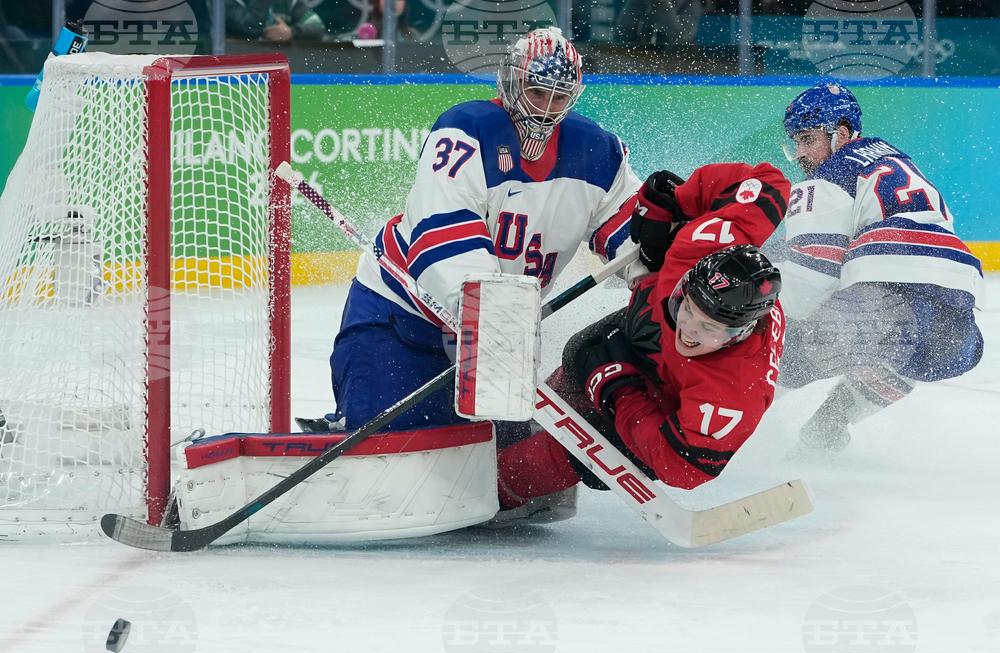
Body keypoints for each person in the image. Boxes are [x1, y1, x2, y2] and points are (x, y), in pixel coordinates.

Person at [320, 27, 645, 437]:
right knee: (387, 445)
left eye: (559, 97)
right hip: (403, 317)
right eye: (537, 92)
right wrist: (492, 315)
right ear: (511, 83)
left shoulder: (597, 152)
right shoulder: (466, 130)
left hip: (498, 338)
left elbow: (635, 241)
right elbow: (442, 234)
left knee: (507, 465)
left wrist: (677, 278)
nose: (546, 110)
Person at [493, 162, 791, 519]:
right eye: (687, 307)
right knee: (581, 353)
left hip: (664, 395)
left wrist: (620, 391)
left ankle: (498, 488)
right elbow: (769, 181)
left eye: (712, 329)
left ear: (741, 334)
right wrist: (676, 203)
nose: (690, 331)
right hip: (646, 322)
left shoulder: (733, 391)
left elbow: (682, 468)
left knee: (589, 444)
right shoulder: (707, 239)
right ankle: (521, 425)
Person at [773, 83, 985, 451]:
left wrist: (767, 325)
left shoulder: (833, 172)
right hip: (959, 327)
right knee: (902, 348)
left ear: (840, 133)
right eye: (797, 142)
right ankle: (827, 430)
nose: (802, 153)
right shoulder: (894, 158)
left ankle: (713, 434)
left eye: (808, 139)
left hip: (886, 305)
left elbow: (810, 279)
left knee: (790, 350)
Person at [226, 0, 326, 42]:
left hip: (282, 63)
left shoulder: (288, 2)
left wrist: (292, 32)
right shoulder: (233, 2)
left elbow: (318, 26)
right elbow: (251, 28)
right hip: (242, 64)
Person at [614, 0, 702, 46]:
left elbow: (682, 36)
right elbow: (622, 32)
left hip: (677, 62)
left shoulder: (691, 2)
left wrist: (661, 3)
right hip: (642, 59)